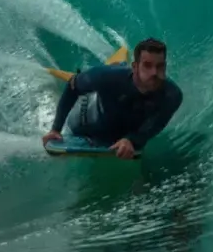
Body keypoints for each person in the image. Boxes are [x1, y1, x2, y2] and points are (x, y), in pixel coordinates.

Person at [42, 38, 183, 160]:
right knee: (107, 77)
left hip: (121, 129)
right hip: (85, 119)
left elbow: (155, 125)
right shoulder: (107, 77)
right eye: (147, 65)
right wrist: (56, 129)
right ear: (135, 67)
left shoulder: (172, 95)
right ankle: (117, 64)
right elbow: (73, 85)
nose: (154, 72)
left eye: (160, 66)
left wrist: (131, 140)